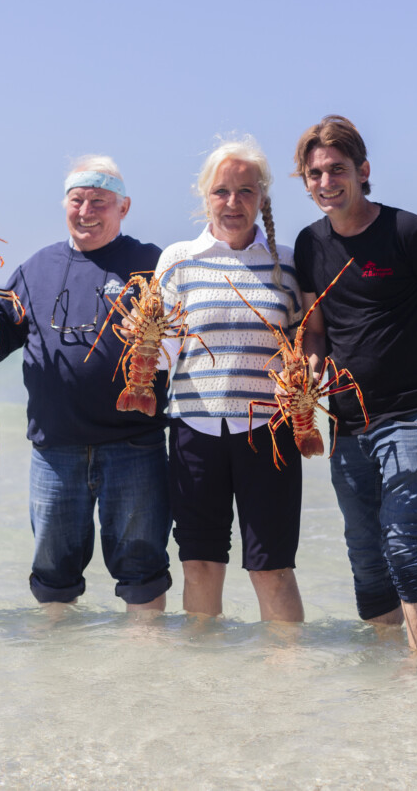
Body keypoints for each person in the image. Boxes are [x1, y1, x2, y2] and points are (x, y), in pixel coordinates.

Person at [291, 116, 417, 650]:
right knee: (365, 551)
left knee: (404, 542)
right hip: (348, 422)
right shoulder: (309, 245)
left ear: (363, 170)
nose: (326, 182)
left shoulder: (407, 232)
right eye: (314, 174)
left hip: (414, 411)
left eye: (337, 169)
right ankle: (383, 667)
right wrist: (308, 367)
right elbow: (315, 332)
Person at [0, 156, 172, 615]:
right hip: (55, 449)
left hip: (135, 445)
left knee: (143, 572)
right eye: (77, 200)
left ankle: (150, 676)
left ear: (123, 208)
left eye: (99, 201)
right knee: (52, 576)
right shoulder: (34, 268)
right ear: (64, 204)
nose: (86, 211)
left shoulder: (153, 263)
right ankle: (55, 676)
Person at [154, 135, 306, 622]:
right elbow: (158, 353)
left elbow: (310, 345)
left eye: (245, 191)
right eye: (222, 191)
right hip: (194, 432)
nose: (233, 202)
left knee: (273, 569)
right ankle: (203, 686)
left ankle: (288, 683)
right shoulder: (178, 259)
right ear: (206, 198)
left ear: (263, 197)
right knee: (199, 564)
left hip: (271, 433)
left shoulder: (286, 265)